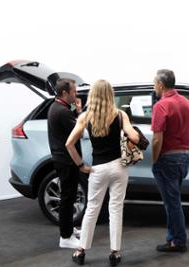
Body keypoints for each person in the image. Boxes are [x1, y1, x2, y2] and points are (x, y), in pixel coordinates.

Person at [65, 79, 139, 266]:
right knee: (115, 208)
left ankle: (81, 251)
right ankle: (115, 253)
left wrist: (81, 165)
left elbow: (69, 144)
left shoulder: (86, 117)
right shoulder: (120, 115)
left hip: (98, 168)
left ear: (93, 95)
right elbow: (135, 137)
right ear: (110, 95)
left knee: (92, 209)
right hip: (118, 167)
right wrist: (129, 135)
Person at [151, 69, 189, 252]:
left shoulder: (161, 106)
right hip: (184, 156)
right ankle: (172, 238)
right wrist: (182, 147)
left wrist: (155, 160)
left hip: (167, 158)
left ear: (161, 85)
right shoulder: (186, 102)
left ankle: (178, 241)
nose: (154, 87)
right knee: (173, 200)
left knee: (172, 203)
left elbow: (157, 139)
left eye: (154, 83)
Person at [47, 78, 82, 249]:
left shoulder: (57, 107)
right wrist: (81, 115)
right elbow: (79, 133)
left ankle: (68, 228)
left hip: (62, 159)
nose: (76, 94)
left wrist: (77, 110)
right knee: (67, 198)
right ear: (64, 93)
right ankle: (65, 237)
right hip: (67, 160)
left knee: (68, 196)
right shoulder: (62, 112)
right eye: (74, 92)